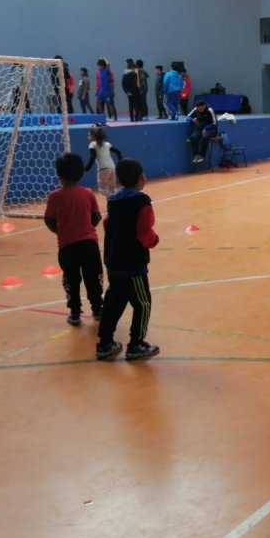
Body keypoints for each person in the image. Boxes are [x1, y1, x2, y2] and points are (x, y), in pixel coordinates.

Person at [96, 158, 160, 361]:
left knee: (114, 301)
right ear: (142, 177)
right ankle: (136, 344)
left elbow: (107, 223)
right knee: (143, 303)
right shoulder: (142, 202)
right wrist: (154, 240)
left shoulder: (113, 200)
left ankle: (105, 343)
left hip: (113, 261)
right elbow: (144, 233)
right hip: (133, 265)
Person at [44, 153, 104, 325]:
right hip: (89, 245)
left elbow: (49, 220)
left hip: (67, 247)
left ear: (59, 175)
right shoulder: (87, 193)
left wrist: (62, 231)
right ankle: (98, 308)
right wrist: (86, 226)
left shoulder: (54, 196)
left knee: (71, 279)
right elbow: (96, 217)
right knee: (93, 276)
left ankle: (75, 312)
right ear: (82, 173)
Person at [84, 124, 122, 196]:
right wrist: (121, 162)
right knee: (112, 189)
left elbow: (92, 157)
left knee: (102, 189)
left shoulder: (92, 144)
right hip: (112, 168)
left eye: (89, 136)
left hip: (103, 169)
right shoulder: (107, 144)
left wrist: (86, 169)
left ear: (94, 136)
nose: (88, 137)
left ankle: (113, 198)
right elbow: (118, 152)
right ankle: (117, 200)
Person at [187, 100, 218, 164]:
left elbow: (215, 123)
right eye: (198, 109)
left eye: (200, 109)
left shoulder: (210, 110)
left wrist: (206, 128)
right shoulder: (196, 109)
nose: (199, 110)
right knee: (193, 137)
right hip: (199, 128)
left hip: (211, 129)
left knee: (205, 136)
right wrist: (192, 120)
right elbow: (188, 117)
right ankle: (196, 155)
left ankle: (202, 155)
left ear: (204, 106)